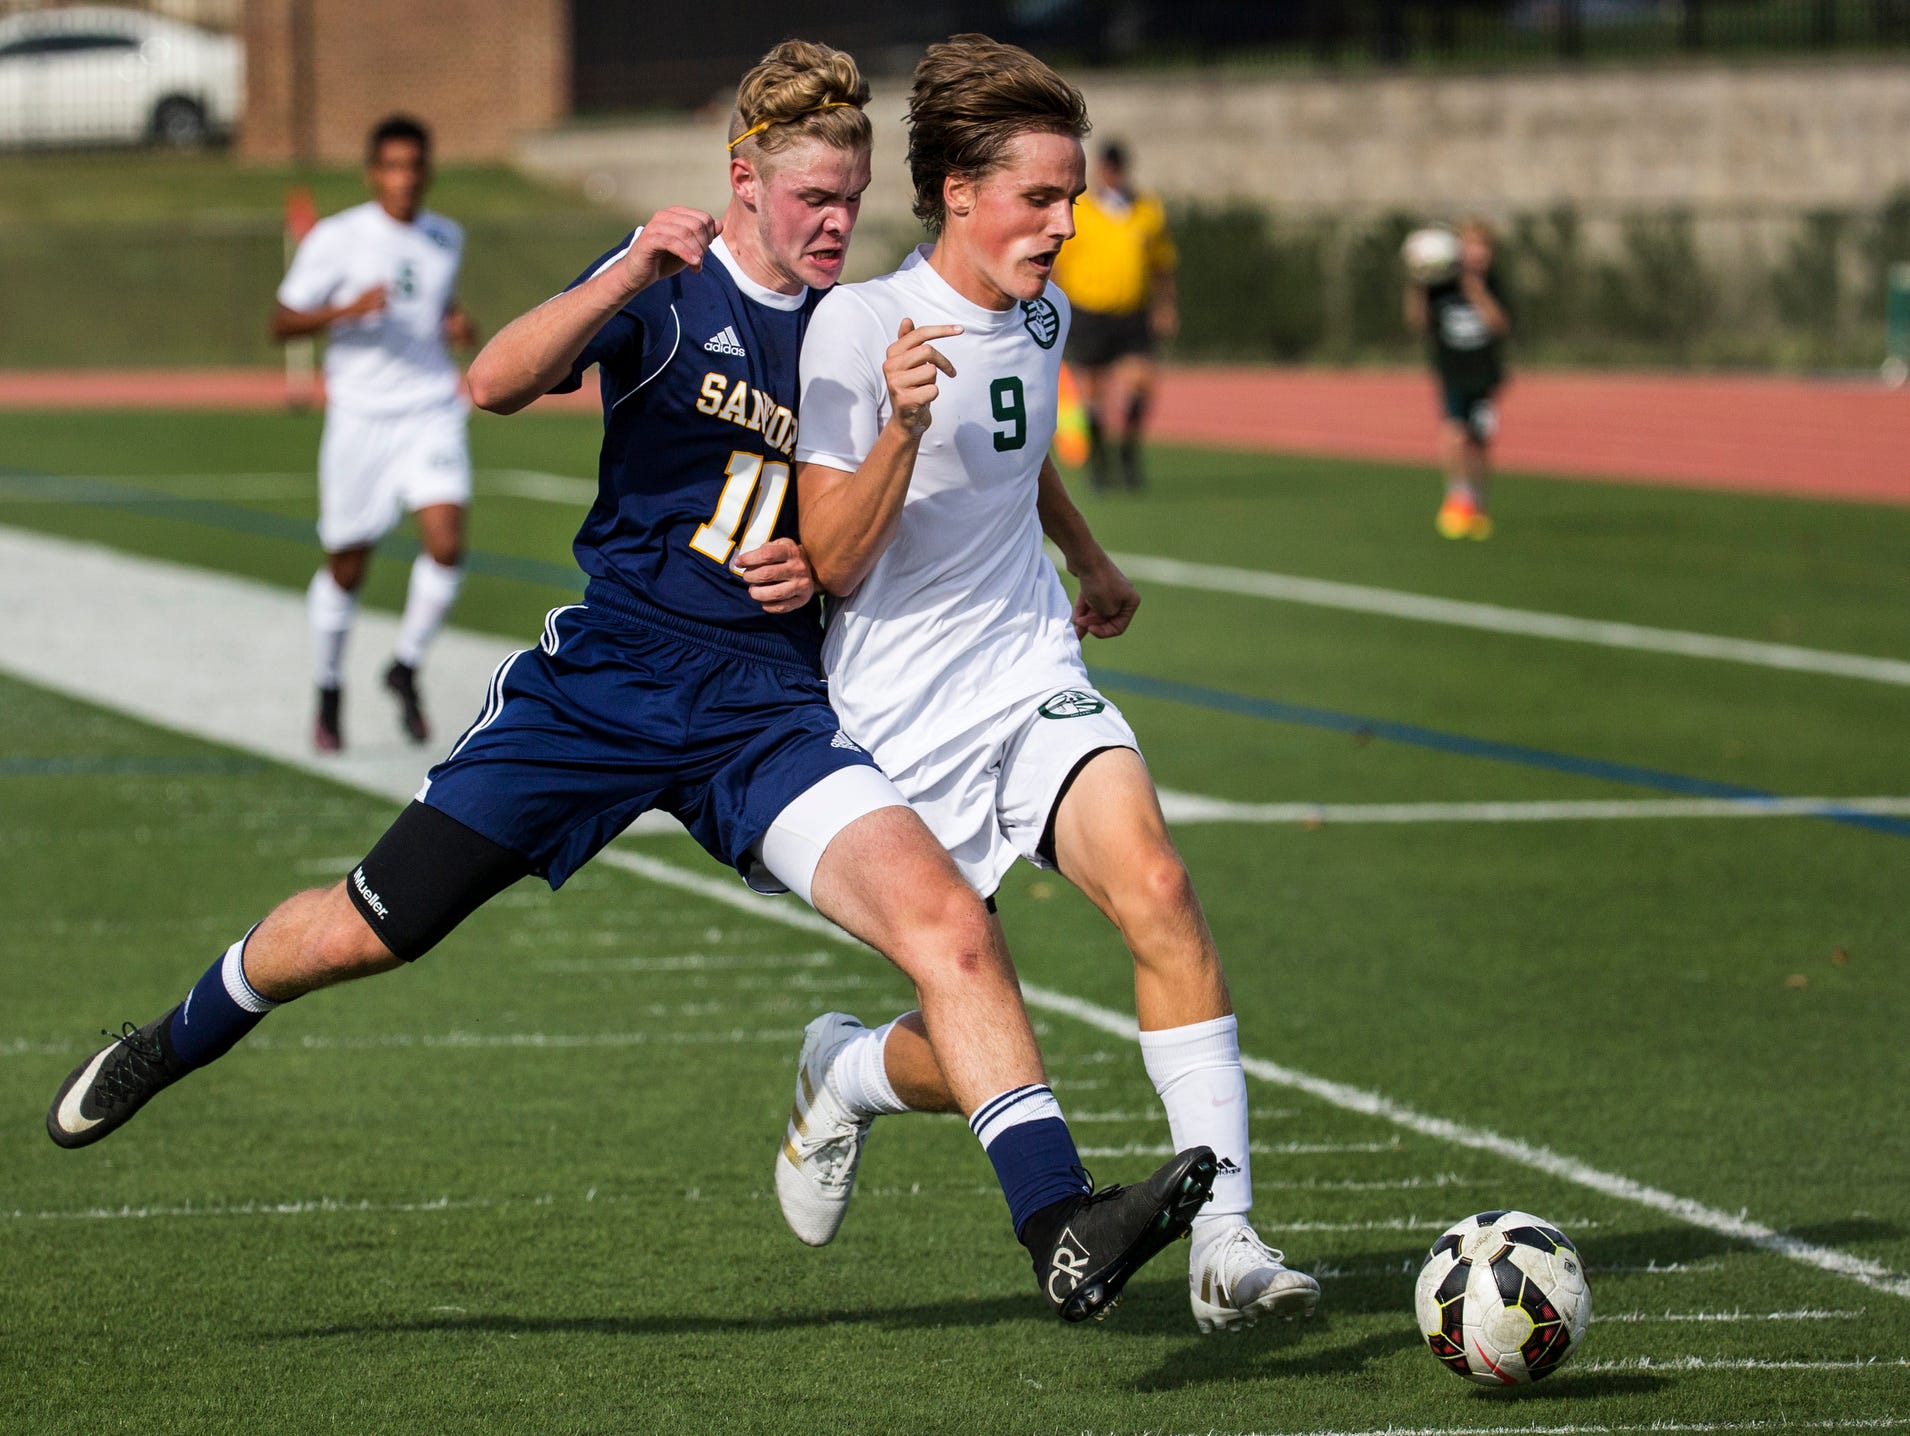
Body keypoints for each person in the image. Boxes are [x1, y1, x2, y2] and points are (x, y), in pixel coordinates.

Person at [46, 40, 1212, 1327]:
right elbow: (490, 382)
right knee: (366, 929)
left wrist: (852, 562)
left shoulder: (864, 319)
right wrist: (624, 270)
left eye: (852, 194)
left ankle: (1057, 1224)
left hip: (766, 713)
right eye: (812, 196)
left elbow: (933, 475)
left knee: (953, 930)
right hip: (602, 687)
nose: (835, 222)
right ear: (743, 182)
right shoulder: (668, 285)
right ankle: (175, 1032)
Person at [775, 33, 1320, 1335]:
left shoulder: (1040, 309)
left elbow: (1017, 448)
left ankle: (1225, 1239)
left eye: (1072, 196)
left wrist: (1085, 552)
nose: (1067, 223)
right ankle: (844, 1072)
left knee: (1159, 885)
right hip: (896, 717)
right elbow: (833, 560)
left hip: (1029, 670)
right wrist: (901, 423)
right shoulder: (856, 327)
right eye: (1040, 197)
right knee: (969, 1034)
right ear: (958, 190)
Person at [273, 115, 479, 751]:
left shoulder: (446, 236)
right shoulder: (338, 238)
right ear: (372, 173)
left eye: (414, 167)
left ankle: (405, 664)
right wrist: (345, 310)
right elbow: (281, 322)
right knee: (348, 563)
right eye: (391, 166)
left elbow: (427, 298)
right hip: (360, 418)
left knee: (446, 544)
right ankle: (329, 687)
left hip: (429, 409)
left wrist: (453, 322)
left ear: (427, 172)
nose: (404, 179)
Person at [1047, 139, 1178, 492]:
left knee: (1141, 382)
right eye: (1109, 167)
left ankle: (1128, 451)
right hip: (1090, 310)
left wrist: (1165, 305)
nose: (1114, 174)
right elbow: (1058, 264)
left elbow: (1161, 264)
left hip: (1133, 311)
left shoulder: (1147, 209)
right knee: (1093, 391)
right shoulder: (1082, 211)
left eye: (1119, 167)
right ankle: (1100, 461)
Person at [1404, 218, 1511, 541]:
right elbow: (1417, 322)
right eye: (1470, 247)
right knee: (1454, 433)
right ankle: (1457, 498)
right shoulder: (1441, 285)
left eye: (1482, 248)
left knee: (1479, 441)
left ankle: (1477, 503)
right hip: (1452, 371)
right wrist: (1417, 284)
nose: (1476, 254)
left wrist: (1476, 290)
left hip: (1484, 373)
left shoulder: (1493, 283)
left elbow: (1500, 324)